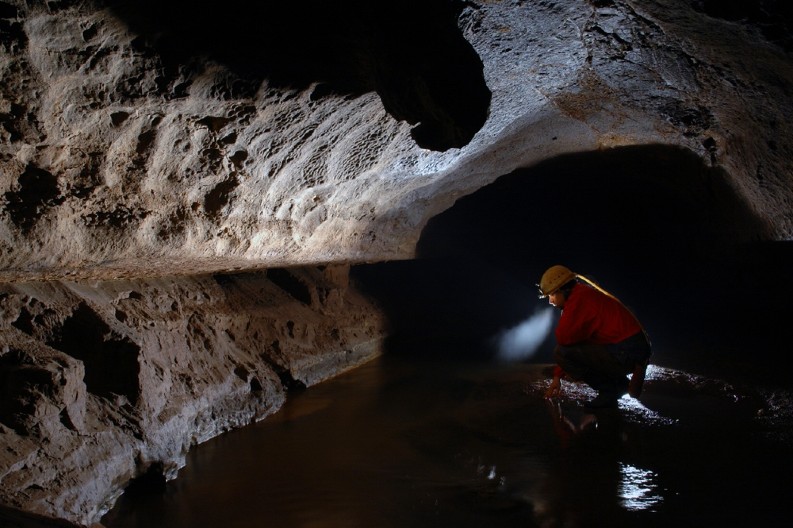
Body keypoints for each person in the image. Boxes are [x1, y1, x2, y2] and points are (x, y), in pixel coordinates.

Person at [539, 265, 651, 409]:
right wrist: (557, 377)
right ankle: (620, 384)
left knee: (561, 353)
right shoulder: (581, 294)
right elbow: (573, 342)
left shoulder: (578, 301)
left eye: (552, 295)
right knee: (571, 349)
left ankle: (609, 390)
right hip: (630, 349)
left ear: (564, 290)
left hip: (627, 351)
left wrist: (566, 313)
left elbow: (563, 339)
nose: (550, 301)